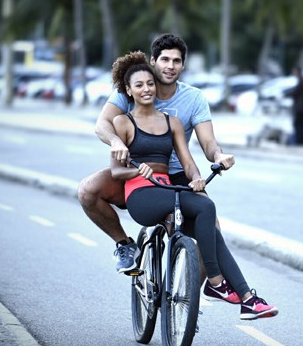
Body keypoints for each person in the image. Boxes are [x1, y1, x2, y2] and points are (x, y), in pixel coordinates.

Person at [108, 53, 278, 320]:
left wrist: (196, 178)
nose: (146, 89)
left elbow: (187, 161)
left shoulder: (171, 122)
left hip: (167, 189)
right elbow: (116, 171)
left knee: (207, 212)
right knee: (202, 213)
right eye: (138, 85)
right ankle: (217, 281)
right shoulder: (122, 122)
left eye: (149, 84)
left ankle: (245, 298)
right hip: (141, 193)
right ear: (128, 90)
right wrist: (136, 169)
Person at [78, 33, 234, 274]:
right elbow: (102, 124)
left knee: (211, 232)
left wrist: (218, 157)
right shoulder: (132, 85)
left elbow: (208, 142)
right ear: (153, 61)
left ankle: (186, 296)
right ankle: (125, 245)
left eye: (176, 61)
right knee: (87, 190)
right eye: (165, 60)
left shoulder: (193, 98)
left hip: (177, 175)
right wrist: (116, 141)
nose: (170, 66)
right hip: (135, 174)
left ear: (183, 65)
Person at [288, 66, 303, 145]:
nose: (294, 74)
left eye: (295, 72)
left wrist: (287, 94)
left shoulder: (301, 81)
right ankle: (300, 140)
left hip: (300, 108)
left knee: (298, 125)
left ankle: (300, 140)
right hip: (302, 107)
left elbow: (295, 92)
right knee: (300, 125)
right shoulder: (302, 81)